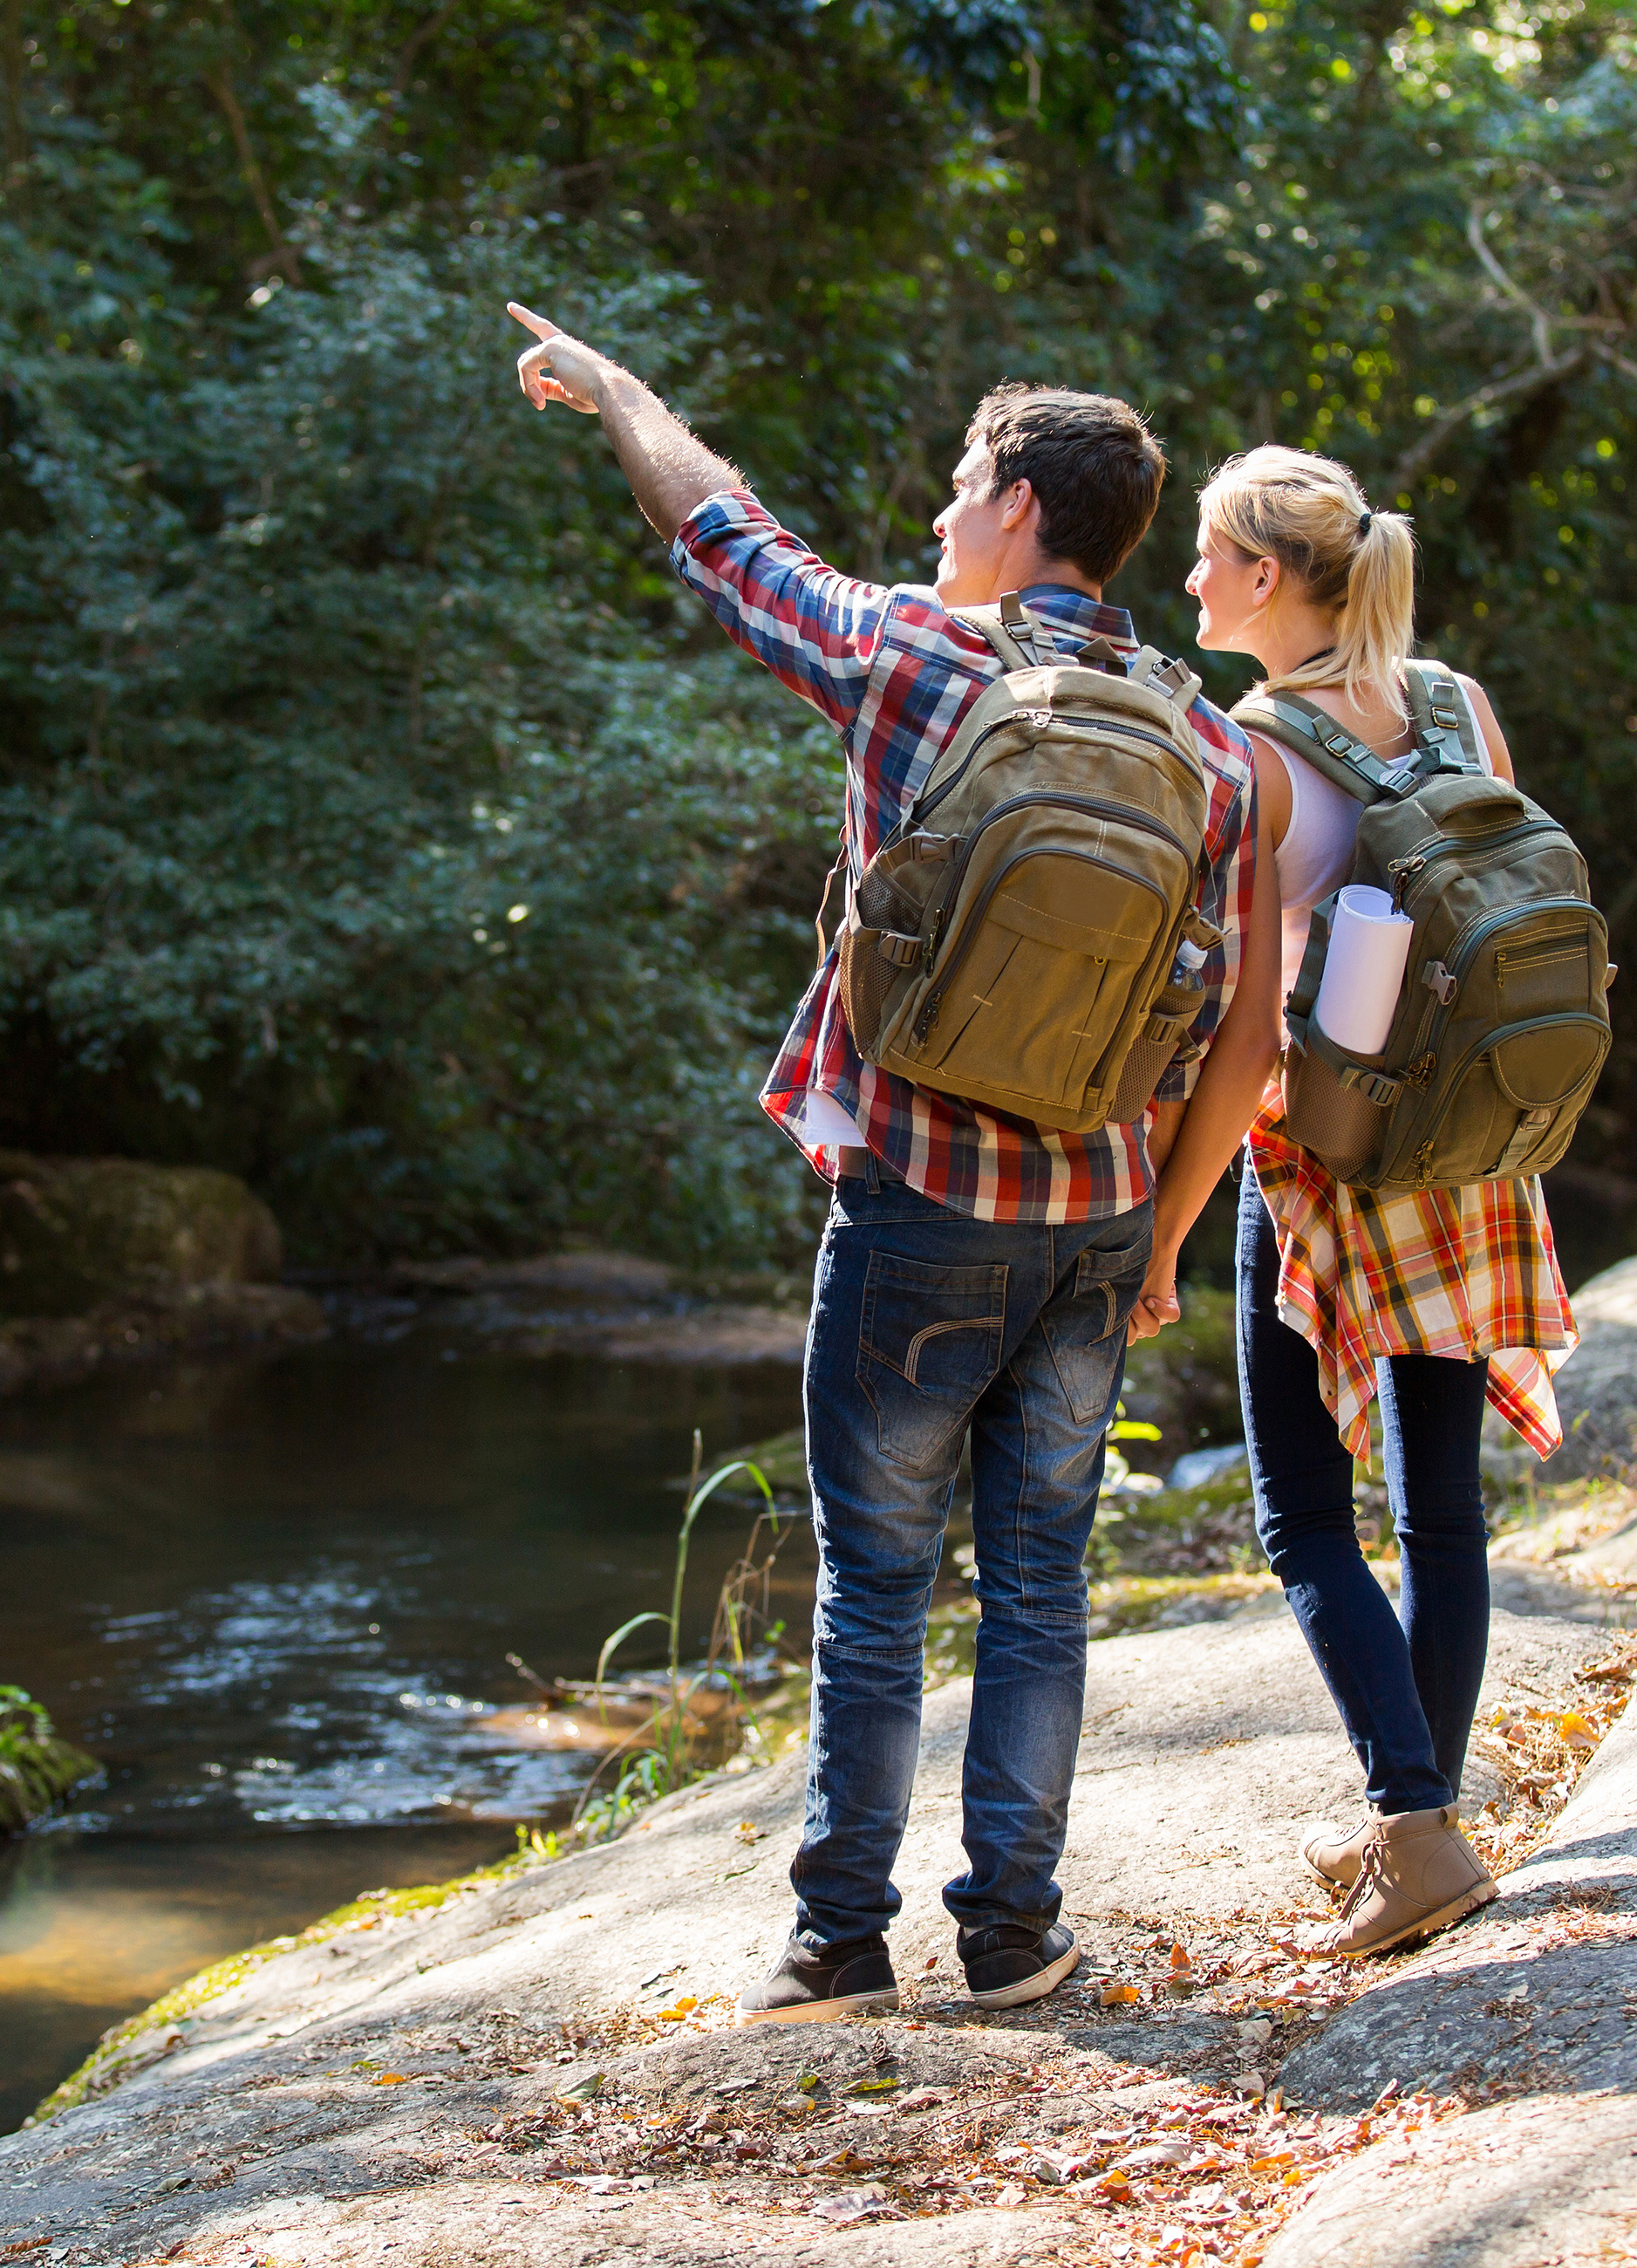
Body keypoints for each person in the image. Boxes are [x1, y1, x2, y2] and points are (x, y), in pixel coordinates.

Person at [503, 304, 1278, 2023]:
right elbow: (1211, 1006)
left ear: (1017, 507)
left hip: (918, 1208)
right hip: (1090, 1223)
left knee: (875, 1591)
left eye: (957, 488)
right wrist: (1162, 1229)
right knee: (1042, 1590)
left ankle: (838, 1942)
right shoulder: (1210, 747)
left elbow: (722, 533)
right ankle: (1012, 1933)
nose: (937, 520)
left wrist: (622, 387)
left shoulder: (912, 663)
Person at [1126, 444, 1579, 1961]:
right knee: (1440, 1510)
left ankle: (1412, 1823)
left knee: (1302, 1514)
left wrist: (1169, 1216)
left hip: (1326, 1168)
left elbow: (1251, 1032)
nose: (1187, 579)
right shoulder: (1450, 698)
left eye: (1204, 554)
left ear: (1265, 576)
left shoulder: (1253, 752)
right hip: (1475, 1150)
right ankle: (1426, 1819)